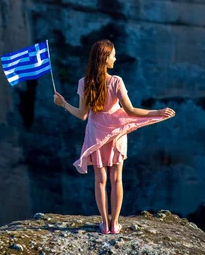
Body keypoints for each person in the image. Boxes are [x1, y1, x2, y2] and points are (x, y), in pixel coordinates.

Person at [53, 39, 175, 235]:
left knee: (100, 180)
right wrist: (157, 111)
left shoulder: (84, 82)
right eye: (113, 55)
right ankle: (115, 224)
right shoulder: (116, 81)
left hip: (96, 134)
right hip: (116, 133)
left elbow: (82, 115)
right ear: (105, 58)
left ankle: (104, 224)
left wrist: (63, 104)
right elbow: (131, 110)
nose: (115, 58)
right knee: (116, 179)